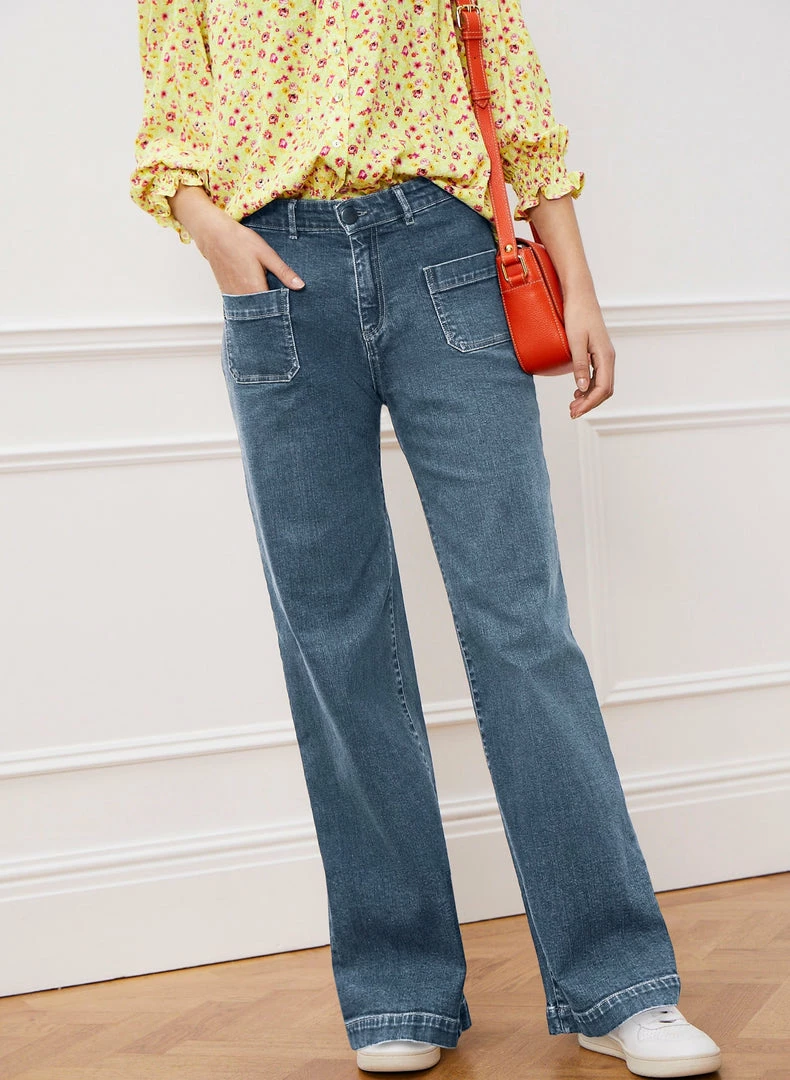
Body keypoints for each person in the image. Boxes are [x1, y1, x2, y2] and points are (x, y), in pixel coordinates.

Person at [130, 2, 722, 1076]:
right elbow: (170, 126)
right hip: (276, 271)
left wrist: (580, 286)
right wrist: (213, 233)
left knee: (520, 625)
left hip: (446, 256)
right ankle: (397, 986)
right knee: (334, 635)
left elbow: (518, 98)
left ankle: (618, 984)